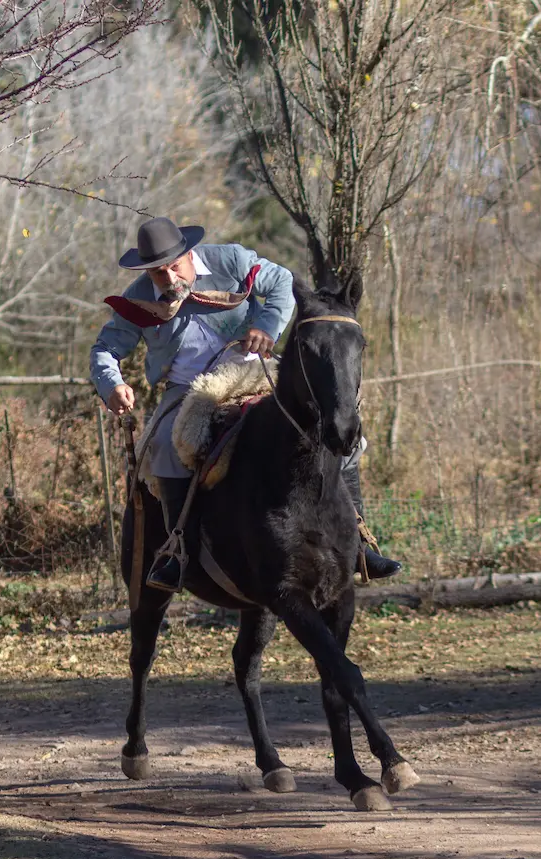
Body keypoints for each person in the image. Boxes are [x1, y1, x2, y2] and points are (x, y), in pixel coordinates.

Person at [90, 216, 402, 591]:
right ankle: (178, 551)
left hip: (254, 371)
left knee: (330, 422)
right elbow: (105, 349)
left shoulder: (232, 261)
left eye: (175, 267)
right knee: (162, 445)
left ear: (189, 255)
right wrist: (113, 384)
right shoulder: (136, 300)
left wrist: (266, 328)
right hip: (189, 388)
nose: (170, 280)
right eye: (159, 274)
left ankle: (361, 544)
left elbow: (283, 283)